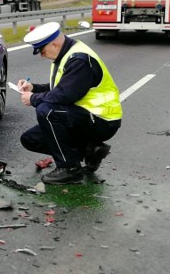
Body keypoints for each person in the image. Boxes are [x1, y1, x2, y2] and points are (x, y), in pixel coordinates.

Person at [17, 22, 122, 184]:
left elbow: (65, 95)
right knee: (30, 139)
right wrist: (34, 88)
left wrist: (32, 99)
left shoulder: (79, 59)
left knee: (47, 110)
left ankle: (69, 168)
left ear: (55, 44)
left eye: (42, 51)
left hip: (102, 121)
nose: (42, 56)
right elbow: (60, 87)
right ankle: (90, 151)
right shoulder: (66, 54)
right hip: (83, 116)